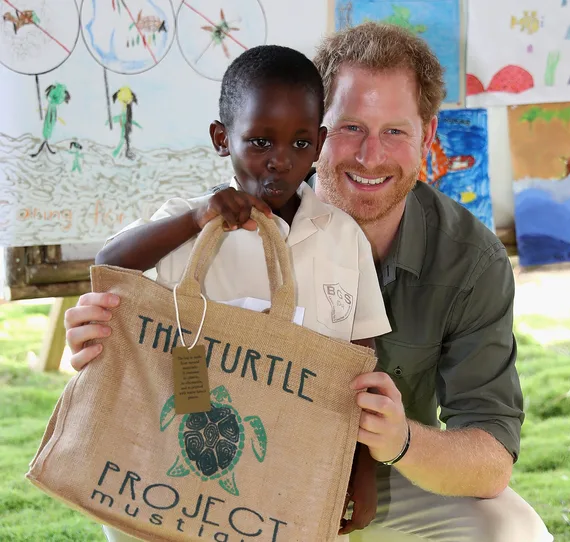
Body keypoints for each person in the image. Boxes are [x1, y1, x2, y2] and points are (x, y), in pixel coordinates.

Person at [65, 23, 553, 542]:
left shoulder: (467, 259)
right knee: (136, 511)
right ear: (322, 128)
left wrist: (392, 446)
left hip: (372, 473)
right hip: (204, 458)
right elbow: (122, 287)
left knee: (511, 532)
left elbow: (490, 460)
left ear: (427, 136)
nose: (370, 155)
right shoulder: (205, 224)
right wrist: (101, 332)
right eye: (350, 127)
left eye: (394, 130)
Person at [87, 44, 391, 541]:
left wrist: (360, 471)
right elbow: (109, 264)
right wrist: (194, 220)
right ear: (221, 138)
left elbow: (357, 364)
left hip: (295, 467)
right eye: (259, 142)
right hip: (188, 464)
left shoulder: (342, 236)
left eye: (298, 144)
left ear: (319, 143)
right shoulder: (190, 223)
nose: (279, 161)